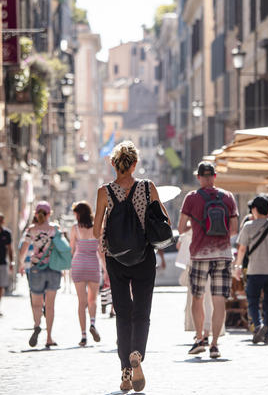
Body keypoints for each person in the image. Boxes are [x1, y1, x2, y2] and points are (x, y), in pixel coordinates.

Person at [93, 141, 169, 393]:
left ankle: (125, 372)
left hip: (116, 259)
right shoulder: (148, 188)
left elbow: (96, 231)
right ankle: (137, 353)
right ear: (135, 164)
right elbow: (164, 220)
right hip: (144, 256)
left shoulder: (104, 192)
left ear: (114, 164)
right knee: (142, 312)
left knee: (122, 314)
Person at [178, 161, 238, 359]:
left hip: (200, 255)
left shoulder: (192, 198)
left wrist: (194, 227)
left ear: (198, 177)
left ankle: (199, 338)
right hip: (223, 255)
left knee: (198, 297)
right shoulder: (228, 197)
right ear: (214, 176)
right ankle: (214, 345)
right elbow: (234, 229)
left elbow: (180, 228)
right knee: (218, 299)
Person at [233, 195, 268, 344]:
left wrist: (238, 266)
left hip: (254, 270)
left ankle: (258, 326)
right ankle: (267, 333)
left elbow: (242, 249)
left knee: (252, 301)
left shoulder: (248, 227)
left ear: (255, 210)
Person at [20, 201, 61, 348]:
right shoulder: (54, 229)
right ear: (49, 214)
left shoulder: (31, 230)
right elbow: (62, 248)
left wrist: (20, 264)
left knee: (36, 304)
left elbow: (24, 249)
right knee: (50, 306)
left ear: (36, 214)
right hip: (53, 268)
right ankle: (49, 337)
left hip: (36, 268)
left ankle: (37, 325)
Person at [69, 201, 105, 347]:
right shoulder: (98, 229)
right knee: (92, 301)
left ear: (78, 214)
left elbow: (72, 248)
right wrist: (106, 270)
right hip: (93, 265)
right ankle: (92, 323)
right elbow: (101, 252)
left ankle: (83, 336)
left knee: (81, 302)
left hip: (78, 264)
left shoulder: (75, 229)